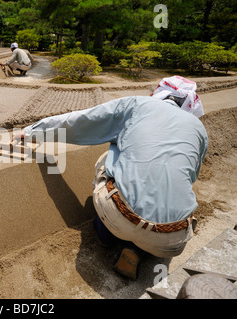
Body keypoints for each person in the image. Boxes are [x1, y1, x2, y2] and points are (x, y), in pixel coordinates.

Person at [14, 76, 208, 280]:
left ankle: (107, 234)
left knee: (111, 155)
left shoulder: (136, 105)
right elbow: (192, 176)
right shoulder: (199, 129)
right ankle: (138, 250)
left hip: (120, 219)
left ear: (159, 93)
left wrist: (31, 132)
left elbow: (81, 121)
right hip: (173, 239)